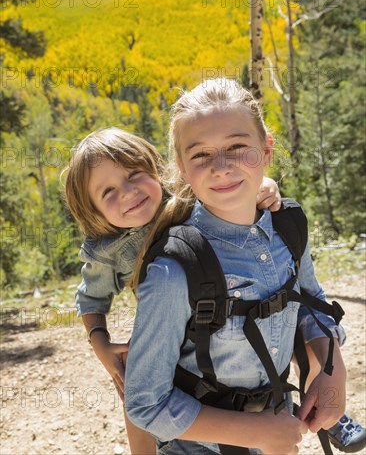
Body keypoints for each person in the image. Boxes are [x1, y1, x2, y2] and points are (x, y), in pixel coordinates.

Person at [124, 79, 348, 455]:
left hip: (277, 435)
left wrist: (331, 371)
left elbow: (311, 303)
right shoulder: (174, 269)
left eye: (237, 147)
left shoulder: (287, 227)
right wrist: (257, 434)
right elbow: (146, 403)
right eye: (201, 155)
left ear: (266, 150)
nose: (221, 167)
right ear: (182, 167)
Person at [63, 126, 283, 455]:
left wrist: (265, 185)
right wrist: (102, 346)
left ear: (157, 168)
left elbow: (233, 187)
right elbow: (90, 298)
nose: (127, 192)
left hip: (229, 302)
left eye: (135, 173)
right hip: (168, 319)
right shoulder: (108, 250)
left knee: (282, 313)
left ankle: (326, 408)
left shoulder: (188, 196)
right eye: (107, 192)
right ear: (94, 212)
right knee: (138, 377)